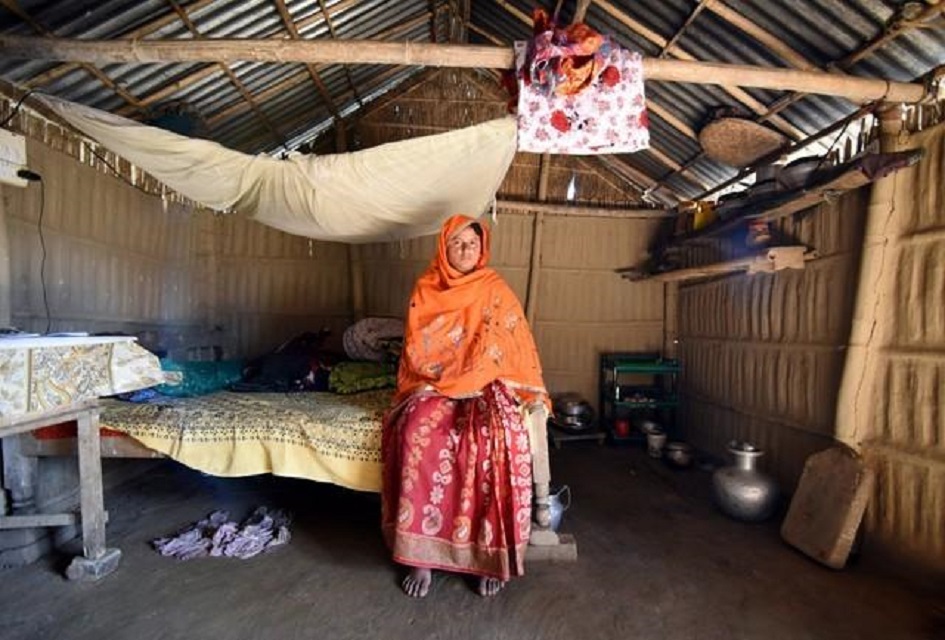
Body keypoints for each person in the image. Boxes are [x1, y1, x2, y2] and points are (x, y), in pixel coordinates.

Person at [381, 214, 548, 598]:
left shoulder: (495, 288)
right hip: (436, 383)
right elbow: (419, 348)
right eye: (456, 242)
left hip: (486, 384)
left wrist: (480, 372)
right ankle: (419, 557)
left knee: (496, 437)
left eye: (472, 242)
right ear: (443, 246)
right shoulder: (426, 288)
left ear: (482, 248)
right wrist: (448, 377)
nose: (465, 249)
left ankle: (485, 559)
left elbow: (513, 342)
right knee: (416, 433)